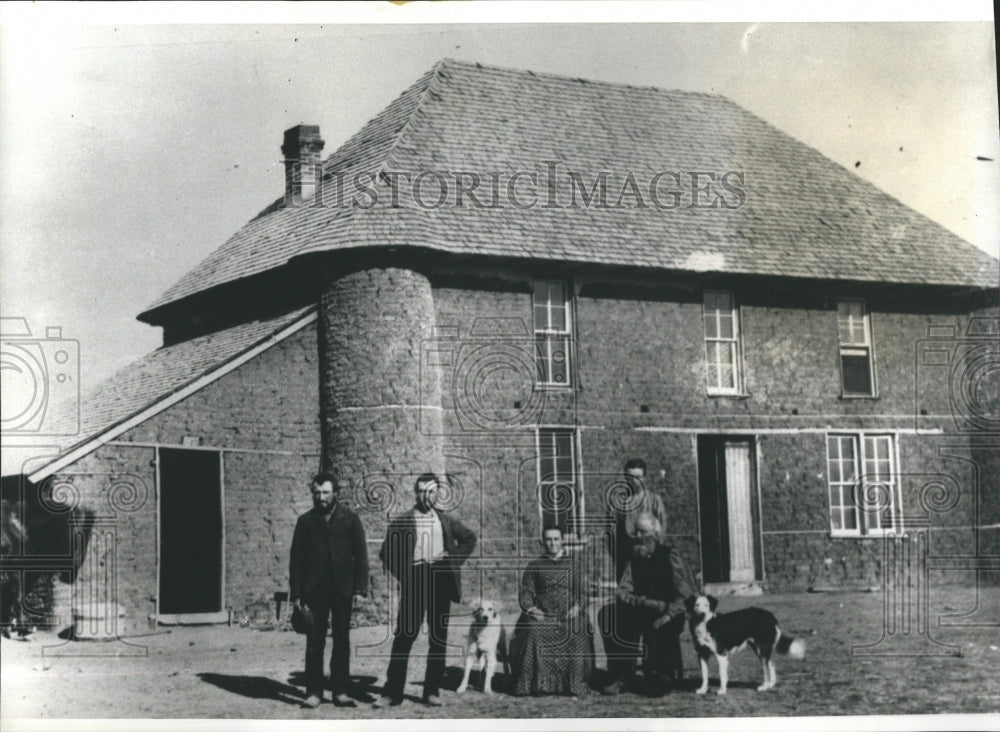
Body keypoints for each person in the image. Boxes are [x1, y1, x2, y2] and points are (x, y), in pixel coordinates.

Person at [374, 473, 477, 708]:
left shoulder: (446, 521)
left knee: (438, 637)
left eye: (430, 491)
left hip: (441, 578)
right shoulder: (402, 522)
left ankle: (431, 690)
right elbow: (386, 553)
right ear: (415, 492)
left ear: (437, 493)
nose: (425, 496)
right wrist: (406, 573)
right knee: (405, 636)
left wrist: (452, 559)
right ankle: (392, 693)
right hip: (416, 577)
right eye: (421, 491)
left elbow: (470, 538)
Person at [289, 472, 370, 708]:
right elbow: (296, 560)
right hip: (314, 591)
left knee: (342, 641)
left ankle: (340, 691)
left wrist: (360, 589)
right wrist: (296, 594)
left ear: (335, 493)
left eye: (325, 492)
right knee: (315, 641)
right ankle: (314, 692)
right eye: (316, 492)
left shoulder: (350, 519)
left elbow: (361, 556)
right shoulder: (305, 521)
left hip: (342, 588)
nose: (321, 497)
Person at [600, 512, 696, 696]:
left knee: (660, 626)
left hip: (667, 612)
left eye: (643, 532)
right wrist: (642, 602)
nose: (638, 537)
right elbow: (622, 591)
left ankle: (661, 675)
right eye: (636, 532)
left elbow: (685, 594)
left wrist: (669, 613)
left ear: (656, 534)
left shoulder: (670, 556)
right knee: (608, 614)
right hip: (642, 610)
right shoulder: (633, 558)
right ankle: (621, 674)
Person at [508, 524, 595, 697]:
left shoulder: (574, 564)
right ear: (542, 542)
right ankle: (536, 685)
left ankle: (574, 684)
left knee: (576, 632)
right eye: (548, 540)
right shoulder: (534, 565)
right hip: (543, 614)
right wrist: (532, 609)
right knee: (533, 631)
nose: (552, 543)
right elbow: (526, 592)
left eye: (556, 539)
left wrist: (578, 607)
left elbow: (583, 592)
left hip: (570, 614)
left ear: (562, 541)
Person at [606, 458, 668, 582]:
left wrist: (655, 555)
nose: (634, 481)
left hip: (650, 558)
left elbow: (661, 531)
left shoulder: (654, 500)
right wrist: (618, 558)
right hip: (626, 559)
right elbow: (611, 534)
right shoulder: (617, 503)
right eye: (630, 477)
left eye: (638, 477)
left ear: (644, 477)